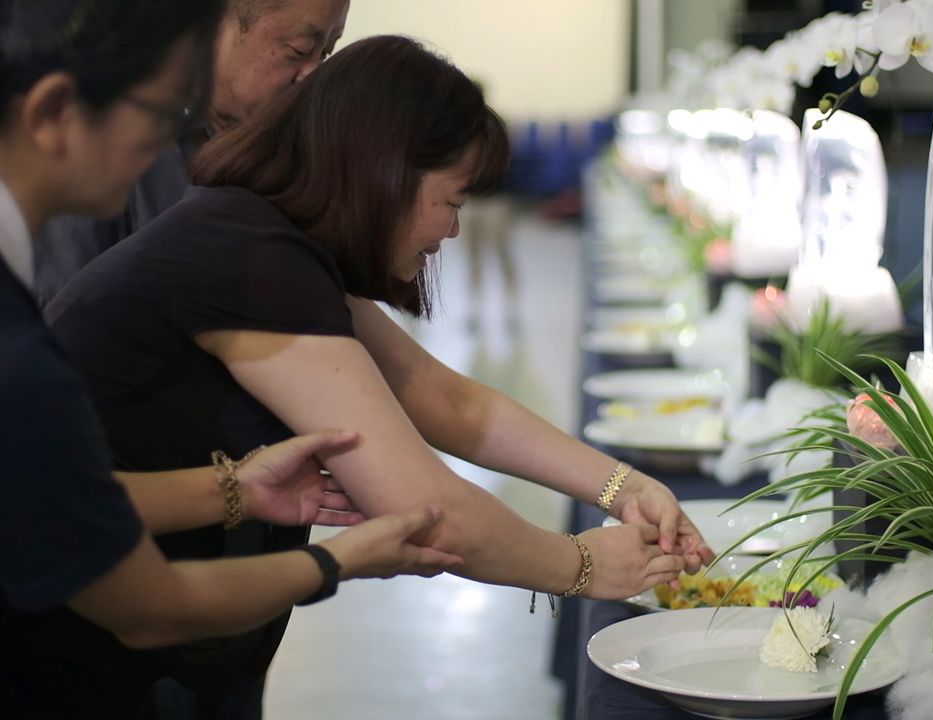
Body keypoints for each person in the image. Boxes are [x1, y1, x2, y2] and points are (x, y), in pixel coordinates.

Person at [46, 32, 713, 709]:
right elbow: (431, 510)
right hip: (81, 634)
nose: (452, 232)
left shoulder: (266, 237)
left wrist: (622, 485)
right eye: (453, 202)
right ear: (386, 173)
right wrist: (582, 564)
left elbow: (448, 401)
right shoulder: (251, 256)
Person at [0, 4, 462, 718]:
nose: (165, 144)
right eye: (158, 113)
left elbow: (49, 490)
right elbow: (146, 602)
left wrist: (233, 491)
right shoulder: (29, 351)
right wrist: (340, 559)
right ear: (54, 110)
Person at [31, 0, 351, 306]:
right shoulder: (99, 133)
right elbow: (59, 316)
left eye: (325, 53)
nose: (314, 76)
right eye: (299, 50)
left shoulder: (300, 162)